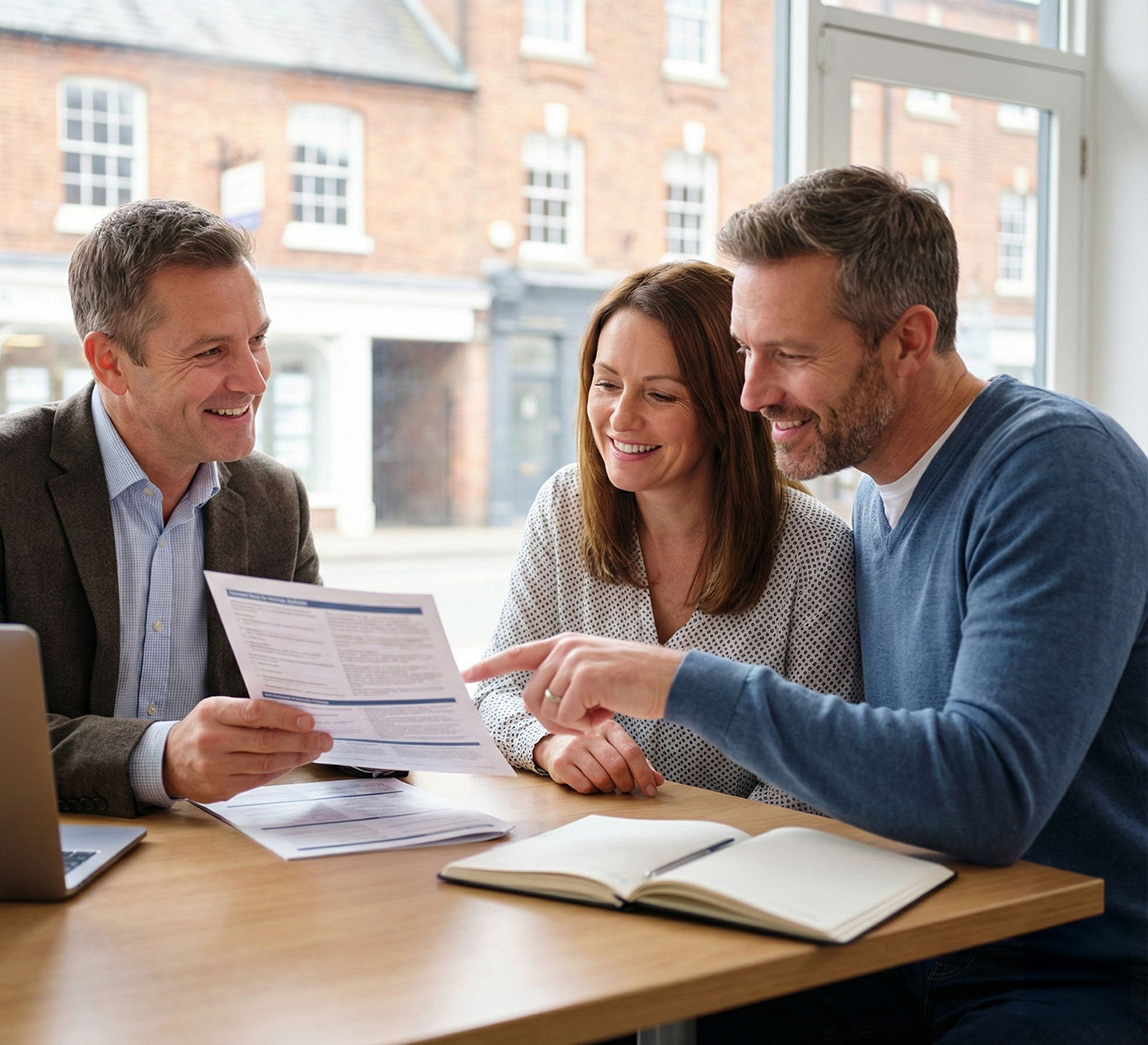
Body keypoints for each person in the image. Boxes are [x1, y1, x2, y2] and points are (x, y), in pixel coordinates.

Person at [465, 166, 1148, 1040]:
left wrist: (679, 680)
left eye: (787, 355)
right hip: (908, 936)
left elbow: (987, 794)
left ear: (908, 338)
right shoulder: (877, 497)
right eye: (746, 353)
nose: (750, 394)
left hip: (1060, 962)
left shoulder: (1052, 469)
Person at [0, 198, 332, 818]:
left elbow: (312, 702)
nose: (254, 378)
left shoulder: (273, 497)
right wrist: (160, 758)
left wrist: (387, 724)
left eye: (257, 340)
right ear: (110, 361)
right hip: (43, 838)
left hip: (225, 853)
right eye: (211, 352)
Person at [474, 261, 861, 806]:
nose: (620, 418)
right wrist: (549, 744)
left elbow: (812, 771)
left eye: (660, 396)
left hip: (737, 870)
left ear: (727, 409)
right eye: (607, 384)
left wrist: (702, 856)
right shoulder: (565, 505)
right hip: (578, 849)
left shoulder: (815, 551)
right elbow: (494, 693)